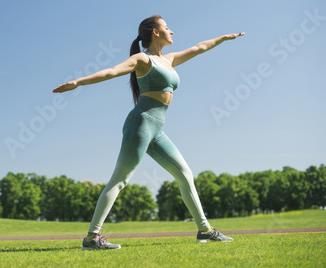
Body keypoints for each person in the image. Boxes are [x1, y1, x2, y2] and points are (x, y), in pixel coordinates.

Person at [53, 15, 244, 250]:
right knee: (120, 180)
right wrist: (78, 82)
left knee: (185, 174)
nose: (171, 31)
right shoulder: (142, 59)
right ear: (155, 32)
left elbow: (199, 48)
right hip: (141, 124)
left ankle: (205, 231)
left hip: (157, 129)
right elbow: (112, 71)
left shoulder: (169, 60)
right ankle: (92, 237)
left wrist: (224, 38)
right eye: (166, 27)